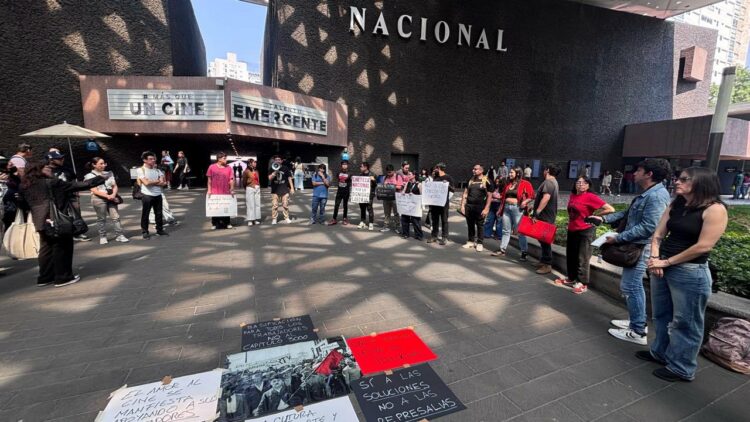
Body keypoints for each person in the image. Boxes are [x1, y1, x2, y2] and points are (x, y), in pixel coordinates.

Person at [643, 167, 728, 382]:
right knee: (661, 315)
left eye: (683, 179)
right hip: (661, 266)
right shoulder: (677, 203)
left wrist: (666, 261)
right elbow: (658, 235)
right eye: (677, 178)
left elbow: (703, 246)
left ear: (701, 182)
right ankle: (660, 352)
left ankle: (682, 367)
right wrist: (655, 260)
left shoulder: (715, 209)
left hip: (690, 272)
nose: (677, 182)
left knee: (686, 322)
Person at [589, 158, 671, 345]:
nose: (634, 173)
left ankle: (637, 331)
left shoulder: (656, 196)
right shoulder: (649, 193)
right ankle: (636, 322)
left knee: (631, 287)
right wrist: (604, 220)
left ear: (649, 174)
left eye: (638, 170)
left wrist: (618, 238)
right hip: (637, 246)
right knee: (632, 287)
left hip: (642, 247)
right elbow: (627, 214)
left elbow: (649, 227)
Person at [21, 162, 105, 287]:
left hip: (39, 220)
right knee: (62, 247)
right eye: (47, 168)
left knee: (46, 249)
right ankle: (63, 277)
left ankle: (45, 277)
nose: (50, 170)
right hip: (57, 219)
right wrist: (101, 178)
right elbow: (76, 185)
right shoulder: (52, 183)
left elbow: (22, 204)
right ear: (39, 170)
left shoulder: (24, 185)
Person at [556, 176, 614, 294]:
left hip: (585, 230)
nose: (581, 184)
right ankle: (571, 279)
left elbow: (610, 209)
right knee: (571, 255)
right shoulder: (573, 195)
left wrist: (595, 215)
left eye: (584, 183)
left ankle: (582, 283)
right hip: (572, 229)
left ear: (588, 185)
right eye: (578, 182)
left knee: (583, 257)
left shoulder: (590, 197)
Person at [46, 149, 91, 242]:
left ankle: (77, 232)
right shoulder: (46, 171)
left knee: (75, 214)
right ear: (51, 160)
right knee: (60, 215)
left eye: (62, 158)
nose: (62, 160)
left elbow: (73, 180)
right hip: (55, 197)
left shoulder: (66, 169)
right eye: (59, 158)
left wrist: (76, 191)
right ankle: (62, 233)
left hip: (70, 195)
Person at [83, 157, 128, 244]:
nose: (103, 165)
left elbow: (114, 186)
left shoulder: (109, 173)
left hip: (111, 197)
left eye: (104, 163)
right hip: (98, 198)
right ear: (94, 165)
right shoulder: (89, 176)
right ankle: (103, 236)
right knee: (101, 218)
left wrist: (113, 195)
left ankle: (119, 235)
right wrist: (108, 196)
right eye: (101, 164)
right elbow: (94, 190)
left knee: (116, 217)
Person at [492, 166, 534, 259]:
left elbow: (531, 195)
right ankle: (502, 249)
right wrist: (499, 206)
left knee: (520, 232)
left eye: (511, 172)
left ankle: (524, 252)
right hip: (506, 208)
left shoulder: (525, 183)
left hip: (517, 209)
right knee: (505, 230)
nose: (509, 174)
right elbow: (503, 197)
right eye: (510, 172)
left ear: (517, 173)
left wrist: (525, 202)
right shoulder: (508, 184)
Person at [530, 163, 560, 274]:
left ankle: (547, 265)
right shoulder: (554, 182)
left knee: (545, 240)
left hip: (545, 216)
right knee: (542, 240)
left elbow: (546, 198)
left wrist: (536, 212)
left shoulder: (549, 182)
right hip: (548, 215)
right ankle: (543, 261)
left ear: (547, 171)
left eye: (544, 169)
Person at [460, 163, 494, 252]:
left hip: (480, 207)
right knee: (470, 224)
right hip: (469, 206)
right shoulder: (470, 180)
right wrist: (462, 205)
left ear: (481, 170)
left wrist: (486, 208)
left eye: (476, 169)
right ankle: (470, 241)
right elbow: (465, 193)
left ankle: (480, 243)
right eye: (473, 169)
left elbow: (490, 196)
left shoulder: (487, 181)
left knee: (480, 225)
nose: (473, 170)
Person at [137, 151, 168, 239]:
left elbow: (163, 183)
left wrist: (152, 182)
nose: (153, 160)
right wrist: (157, 181)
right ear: (144, 160)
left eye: (154, 159)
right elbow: (146, 183)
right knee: (145, 214)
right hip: (147, 195)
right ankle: (145, 231)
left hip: (158, 194)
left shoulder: (158, 170)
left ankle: (160, 230)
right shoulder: (140, 170)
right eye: (150, 159)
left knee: (158, 213)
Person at [427, 163, 453, 245]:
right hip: (435, 203)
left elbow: (453, 189)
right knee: (435, 220)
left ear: (439, 168)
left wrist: (447, 185)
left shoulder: (448, 177)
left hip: (444, 203)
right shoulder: (435, 177)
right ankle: (434, 235)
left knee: (444, 220)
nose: (434, 170)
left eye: (436, 168)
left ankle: (444, 237)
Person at [207, 152, 235, 230]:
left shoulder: (229, 168)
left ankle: (227, 222)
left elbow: (231, 179)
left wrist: (232, 189)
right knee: (215, 208)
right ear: (219, 159)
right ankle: (215, 223)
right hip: (215, 192)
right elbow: (209, 180)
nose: (226, 159)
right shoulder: (211, 167)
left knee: (226, 208)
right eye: (224, 158)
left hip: (225, 191)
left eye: (226, 158)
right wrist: (209, 190)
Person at [269, 155, 294, 224]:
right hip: (275, 190)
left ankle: (286, 217)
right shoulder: (272, 168)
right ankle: (274, 218)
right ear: (274, 161)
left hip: (284, 189)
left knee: (285, 205)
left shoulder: (285, 168)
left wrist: (292, 188)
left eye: (279, 159)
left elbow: (289, 178)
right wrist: (275, 172)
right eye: (276, 159)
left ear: (281, 161)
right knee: (274, 205)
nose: (277, 160)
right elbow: (269, 178)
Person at [380, 164, 404, 232]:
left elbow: (401, 187)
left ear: (393, 171)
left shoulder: (397, 177)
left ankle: (397, 226)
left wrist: (391, 186)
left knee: (396, 213)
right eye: (387, 172)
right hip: (386, 198)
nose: (388, 174)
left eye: (390, 172)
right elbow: (381, 186)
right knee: (386, 213)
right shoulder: (384, 177)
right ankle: (386, 225)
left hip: (395, 198)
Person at [328, 161, 351, 225]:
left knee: (345, 205)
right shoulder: (338, 173)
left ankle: (345, 218)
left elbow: (351, 181)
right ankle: (334, 218)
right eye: (343, 164)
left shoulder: (350, 173)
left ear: (347, 165)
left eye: (345, 164)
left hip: (346, 192)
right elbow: (338, 180)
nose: (344, 165)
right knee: (336, 205)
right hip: (339, 191)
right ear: (341, 165)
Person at [400, 176, 423, 240]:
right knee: (404, 218)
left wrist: (414, 195)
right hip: (407, 204)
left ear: (414, 176)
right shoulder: (408, 183)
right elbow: (404, 191)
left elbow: (422, 195)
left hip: (415, 205)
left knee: (415, 220)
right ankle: (405, 233)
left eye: (410, 174)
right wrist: (402, 193)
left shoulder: (419, 184)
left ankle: (419, 235)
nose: (409, 175)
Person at [483, 176, 505, 241]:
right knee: (489, 219)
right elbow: (489, 194)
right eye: (496, 181)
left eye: (499, 182)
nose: (497, 183)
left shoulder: (503, 188)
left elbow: (502, 197)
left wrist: (495, 197)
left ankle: (499, 236)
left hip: (499, 205)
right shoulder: (494, 187)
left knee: (499, 221)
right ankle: (487, 234)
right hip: (492, 204)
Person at [242, 158, 261, 225]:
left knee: (257, 204)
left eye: (255, 162)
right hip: (250, 187)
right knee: (250, 204)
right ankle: (250, 219)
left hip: (257, 187)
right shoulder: (246, 171)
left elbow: (258, 180)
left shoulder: (256, 171)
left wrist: (258, 185)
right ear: (250, 163)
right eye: (254, 162)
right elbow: (244, 181)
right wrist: (246, 187)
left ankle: (255, 219)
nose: (255, 163)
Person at [357, 162, 376, 230]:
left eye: (361, 166)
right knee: (362, 208)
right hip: (361, 195)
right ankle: (362, 221)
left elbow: (376, 185)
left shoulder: (372, 174)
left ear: (366, 167)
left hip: (369, 194)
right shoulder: (360, 175)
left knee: (369, 208)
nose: (360, 168)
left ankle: (371, 223)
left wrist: (373, 180)